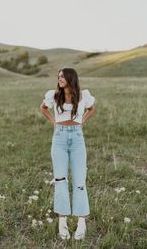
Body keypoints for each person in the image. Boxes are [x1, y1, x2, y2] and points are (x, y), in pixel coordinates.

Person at [40, 67, 96, 240]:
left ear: (71, 78)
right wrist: (54, 122)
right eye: (58, 76)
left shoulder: (83, 96)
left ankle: (81, 222)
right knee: (60, 179)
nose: (60, 78)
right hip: (59, 139)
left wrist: (81, 122)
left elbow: (91, 109)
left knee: (80, 181)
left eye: (63, 76)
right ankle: (62, 222)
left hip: (77, 139)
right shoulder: (54, 95)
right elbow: (43, 108)